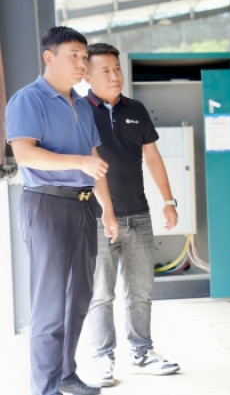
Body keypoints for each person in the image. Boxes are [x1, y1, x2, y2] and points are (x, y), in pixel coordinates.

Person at [5, 26, 119, 395]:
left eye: (85, 57)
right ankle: (46, 388)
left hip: (84, 207)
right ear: (49, 57)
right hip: (47, 205)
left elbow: (95, 162)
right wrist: (79, 162)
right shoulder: (28, 99)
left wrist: (108, 210)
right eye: (74, 55)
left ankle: (66, 375)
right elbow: (25, 154)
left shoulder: (83, 105)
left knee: (79, 300)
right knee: (50, 306)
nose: (82, 63)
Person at [83, 42, 180, 387]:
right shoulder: (79, 111)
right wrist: (106, 211)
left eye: (117, 69)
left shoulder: (136, 109)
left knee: (140, 290)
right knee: (101, 293)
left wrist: (168, 200)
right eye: (105, 70)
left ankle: (142, 353)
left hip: (139, 215)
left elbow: (152, 157)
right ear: (87, 75)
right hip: (96, 219)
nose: (114, 76)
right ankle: (102, 357)